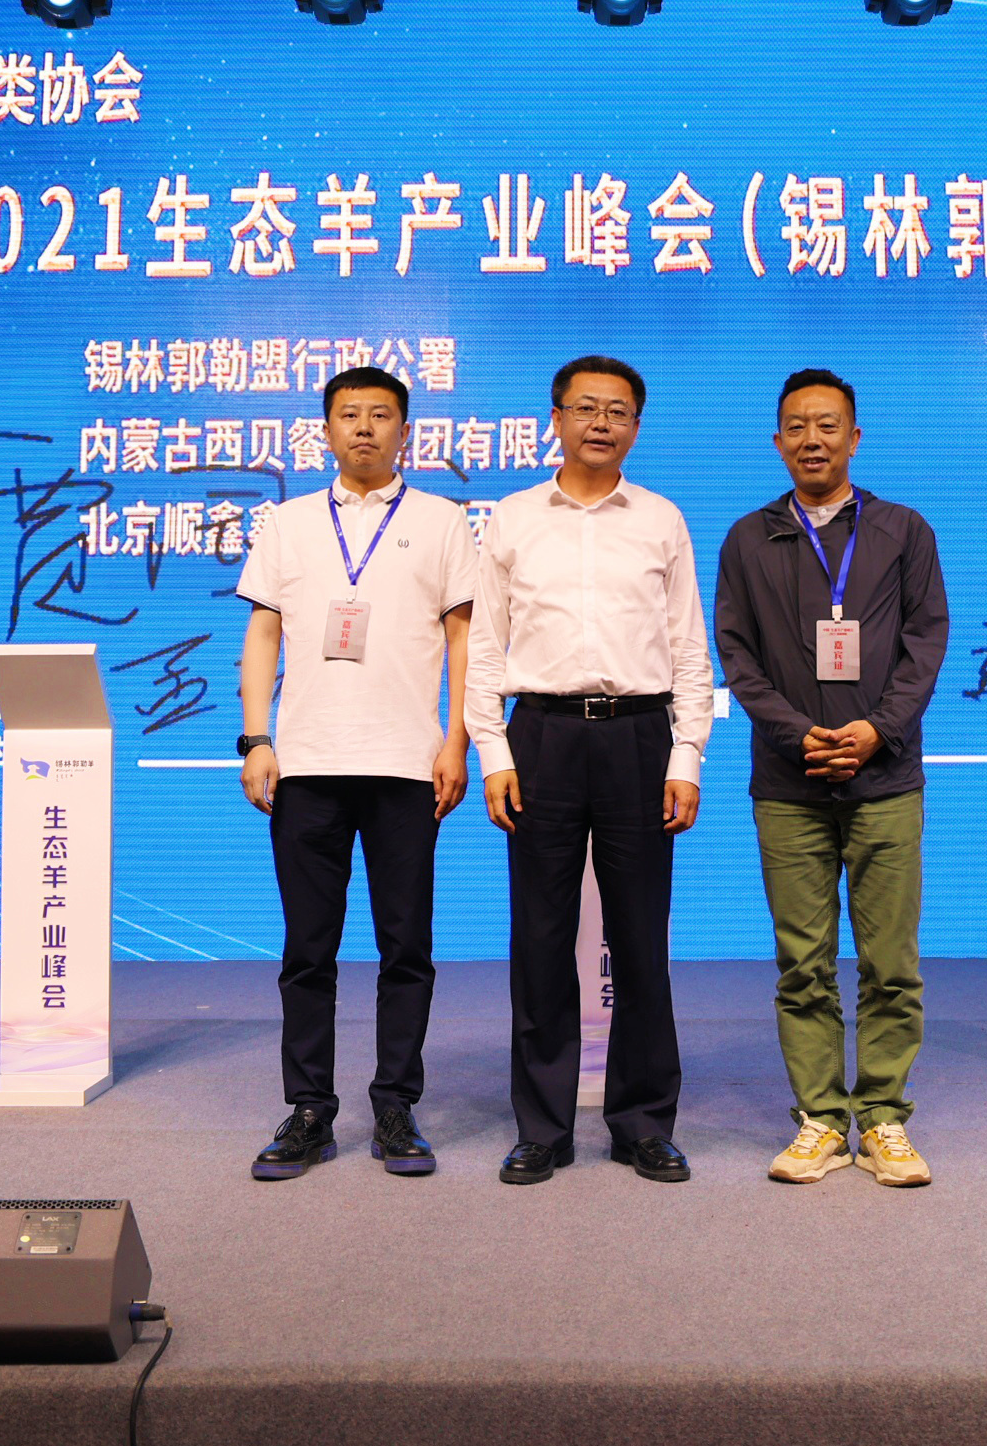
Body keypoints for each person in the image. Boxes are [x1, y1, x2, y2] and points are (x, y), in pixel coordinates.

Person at [468, 355, 713, 1185]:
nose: (601, 422)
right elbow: (486, 648)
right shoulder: (512, 518)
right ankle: (542, 1126)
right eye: (585, 408)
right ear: (557, 419)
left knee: (640, 937)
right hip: (541, 737)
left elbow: (688, 648)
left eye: (617, 411)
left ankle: (642, 1123)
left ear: (636, 427)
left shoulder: (661, 520)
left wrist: (686, 756)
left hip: (639, 739)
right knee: (539, 939)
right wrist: (493, 751)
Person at [233, 366, 476, 1180]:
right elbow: (263, 632)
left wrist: (457, 740)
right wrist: (256, 739)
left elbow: (465, 640)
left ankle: (396, 1105)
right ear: (326, 431)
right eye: (348, 415)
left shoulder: (443, 521)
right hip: (307, 763)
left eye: (380, 415)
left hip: (408, 764)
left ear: (407, 430)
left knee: (406, 947)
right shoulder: (289, 523)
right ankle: (309, 1109)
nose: (364, 428)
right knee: (308, 949)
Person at [715, 370, 949, 1187]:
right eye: (796, 426)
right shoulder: (748, 539)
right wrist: (796, 733)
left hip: (886, 780)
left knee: (891, 965)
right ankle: (820, 1118)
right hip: (790, 786)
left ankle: (882, 1118)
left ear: (855, 437)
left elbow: (927, 642)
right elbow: (736, 655)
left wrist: (877, 730)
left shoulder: (902, 530)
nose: (811, 439)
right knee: (802, 964)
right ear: (777, 441)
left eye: (827, 425)